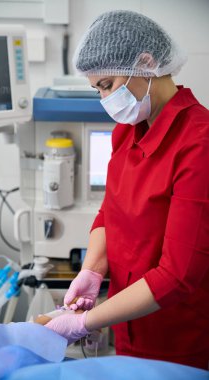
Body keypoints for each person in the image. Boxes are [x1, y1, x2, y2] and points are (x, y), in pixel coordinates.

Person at [46, 10, 209, 369]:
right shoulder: (128, 131)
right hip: (129, 327)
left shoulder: (199, 143)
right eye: (97, 89)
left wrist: (87, 321)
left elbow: (176, 275)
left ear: (145, 63)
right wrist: (91, 271)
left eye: (107, 84)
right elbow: (110, 211)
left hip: (181, 340)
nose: (104, 98)